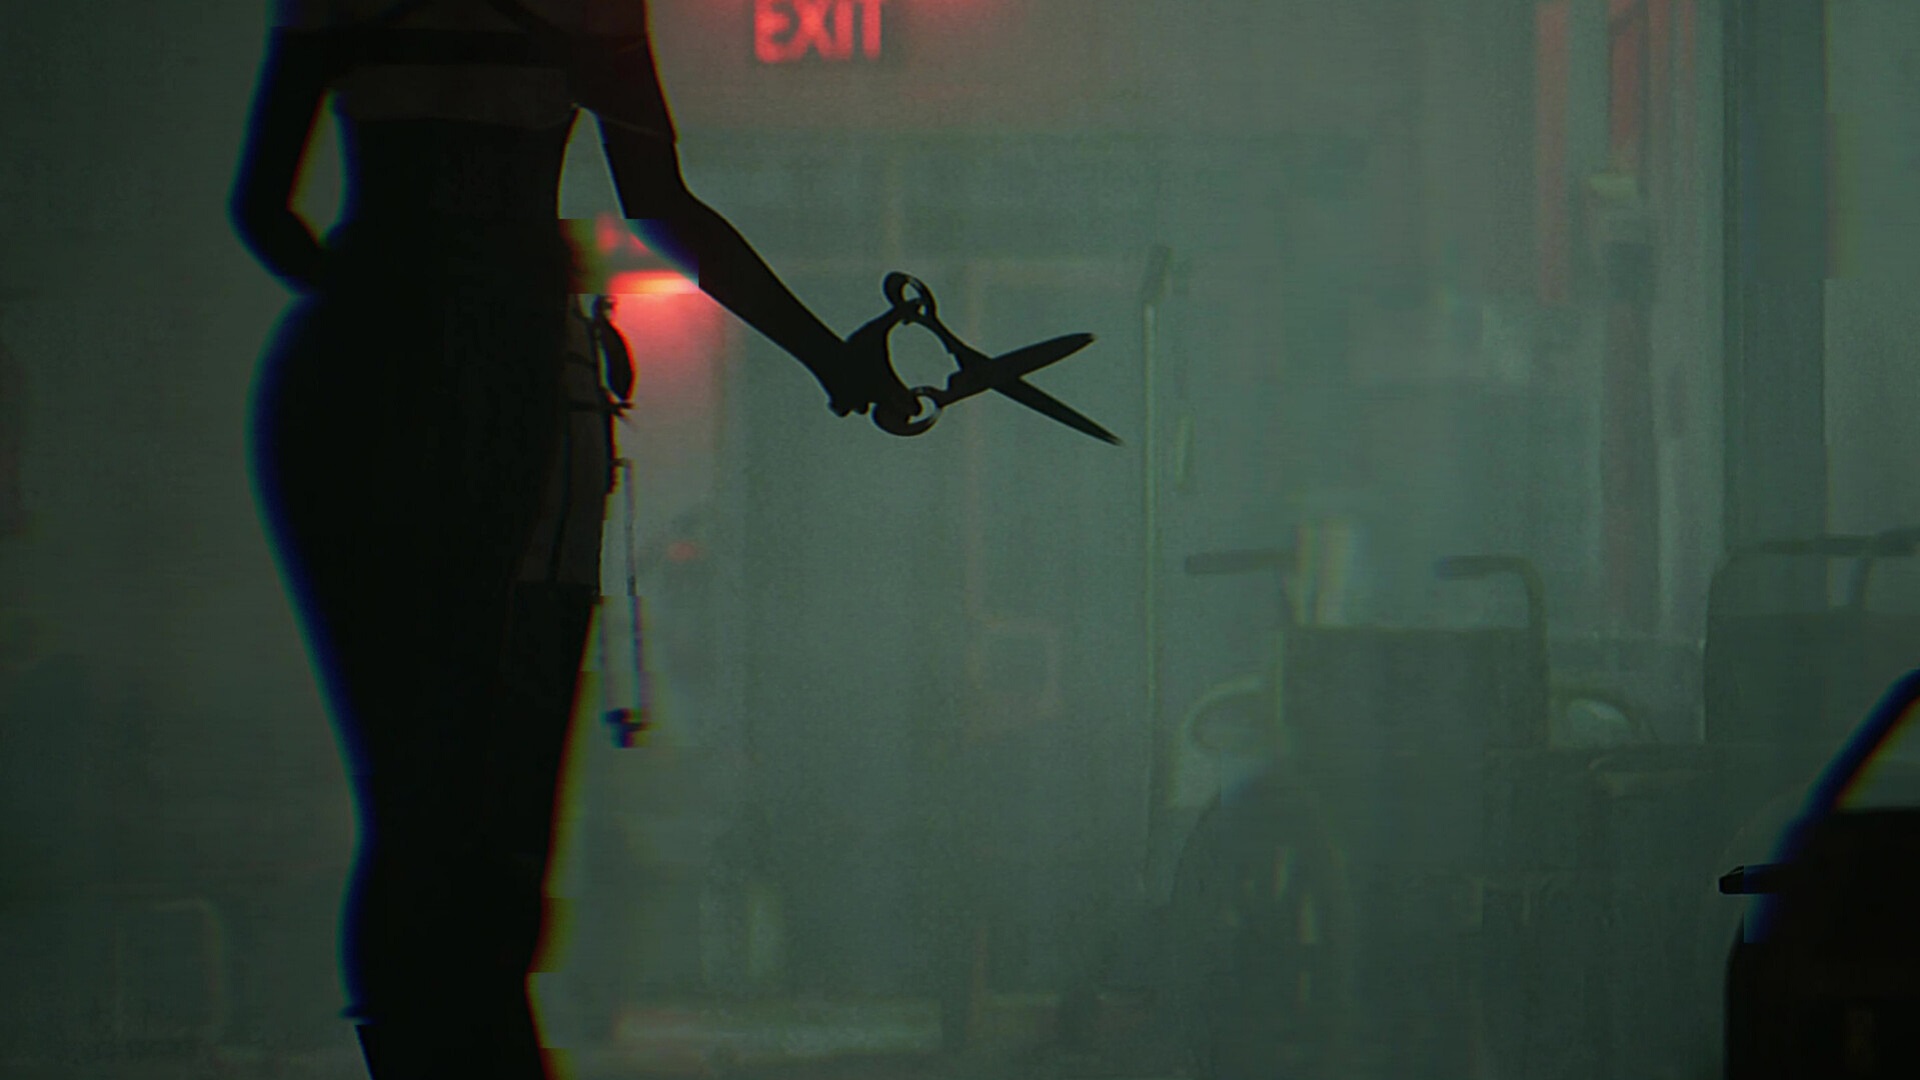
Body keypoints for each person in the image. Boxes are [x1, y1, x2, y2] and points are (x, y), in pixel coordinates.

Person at [228, 2, 902, 1076]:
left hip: (351, 376)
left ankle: (421, 1047)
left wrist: (388, 305)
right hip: (509, 373)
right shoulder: (586, 8)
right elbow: (664, 205)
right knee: (500, 774)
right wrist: (828, 358)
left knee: (407, 788)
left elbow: (262, 210)